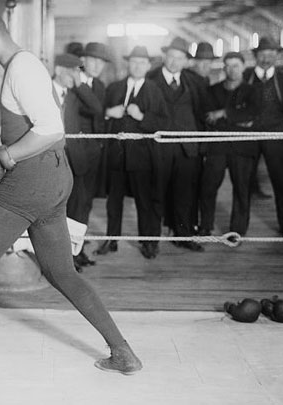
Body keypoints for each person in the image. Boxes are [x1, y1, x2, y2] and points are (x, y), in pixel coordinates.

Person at [0, 11, 141, 379]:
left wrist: (8, 154)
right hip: (51, 178)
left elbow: (51, 128)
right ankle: (123, 352)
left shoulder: (24, 68)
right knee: (60, 270)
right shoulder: (7, 72)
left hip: (31, 179)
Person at [99, 46, 170, 259]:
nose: (138, 66)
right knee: (114, 202)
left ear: (148, 66)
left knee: (145, 201)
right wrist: (107, 113)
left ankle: (149, 242)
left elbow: (164, 123)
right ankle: (112, 240)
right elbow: (100, 115)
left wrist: (142, 117)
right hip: (117, 155)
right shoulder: (114, 88)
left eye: (142, 62)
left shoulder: (155, 90)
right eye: (134, 62)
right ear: (127, 64)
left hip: (143, 156)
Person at [147, 37, 210, 252]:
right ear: (165, 57)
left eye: (179, 58)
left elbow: (202, 114)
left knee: (185, 195)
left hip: (187, 148)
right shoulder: (150, 80)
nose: (174, 62)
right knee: (156, 194)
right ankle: (151, 241)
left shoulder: (195, 82)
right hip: (159, 146)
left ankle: (183, 235)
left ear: (186, 61)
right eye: (171, 57)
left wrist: (201, 145)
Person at [54, 49, 105, 269]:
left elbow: (96, 108)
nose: (76, 76)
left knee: (81, 207)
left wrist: (78, 84)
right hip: (55, 159)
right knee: (60, 210)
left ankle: (77, 251)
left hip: (77, 159)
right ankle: (64, 258)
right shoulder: (45, 91)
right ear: (58, 70)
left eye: (78, 72)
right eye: (72, 72)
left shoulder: (74, 93)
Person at [199, 52, 258, 236]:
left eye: (236, 65)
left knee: (241, 189)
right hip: (217, 146)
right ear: (223, 68)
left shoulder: (253, 91)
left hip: (242, 148)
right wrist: (237, 117)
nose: (232, 70)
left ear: (243, 67)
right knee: (208, 186)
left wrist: (223, 113)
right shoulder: (212, 90)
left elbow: (252, 116)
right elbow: (208, 117)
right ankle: (205, 226)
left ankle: (237, 231)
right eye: (228, 65)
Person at [243, 37, 283, 237]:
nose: (266, 58)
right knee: (243, 184)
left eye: (271, 54)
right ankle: (239, 228)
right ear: (256, 56)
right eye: (263, 54)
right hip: (248, 138)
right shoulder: (245, 76)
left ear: (277, 56)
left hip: (277, 138)